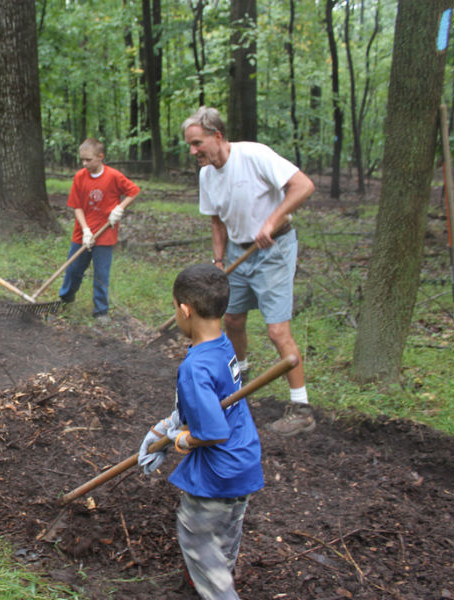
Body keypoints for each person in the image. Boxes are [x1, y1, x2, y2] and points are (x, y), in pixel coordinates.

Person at [182, 106, 316, 437]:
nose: (193, 151)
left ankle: (301, 408)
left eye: (198, 143)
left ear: (217, 136)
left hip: (273, 251)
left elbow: (304, 186)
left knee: (276, 332)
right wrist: (217, 264)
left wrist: (272, 220)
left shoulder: (254, 155)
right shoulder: (206, 175)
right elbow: (216, 221)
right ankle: (238, 383)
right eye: (190, 145)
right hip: (236, 253)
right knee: (232, 320)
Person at [138, 263, 264, 600]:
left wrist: (180, 440)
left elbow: (211, 430)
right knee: (223, 538)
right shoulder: (223, 347)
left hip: (218, 471)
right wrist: (165, 426)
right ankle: (207, 583)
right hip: (244, 460)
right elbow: (209, 403)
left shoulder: (194, 367)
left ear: (184, 310)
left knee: (197, 537)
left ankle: (219, 592)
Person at [57, 138, 140, 322]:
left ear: (100, 157)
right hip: (82, 234)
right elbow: (76, 206)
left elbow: (133, 191)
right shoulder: (80, 177)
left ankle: (101, 311)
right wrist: (86, 230)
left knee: (101, 273)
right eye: (82, 160)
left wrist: (119, 208)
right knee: (73, 269)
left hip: (105, 235)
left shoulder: (114, 176)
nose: (84, 164)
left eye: (88, 160)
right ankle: (65, 300)